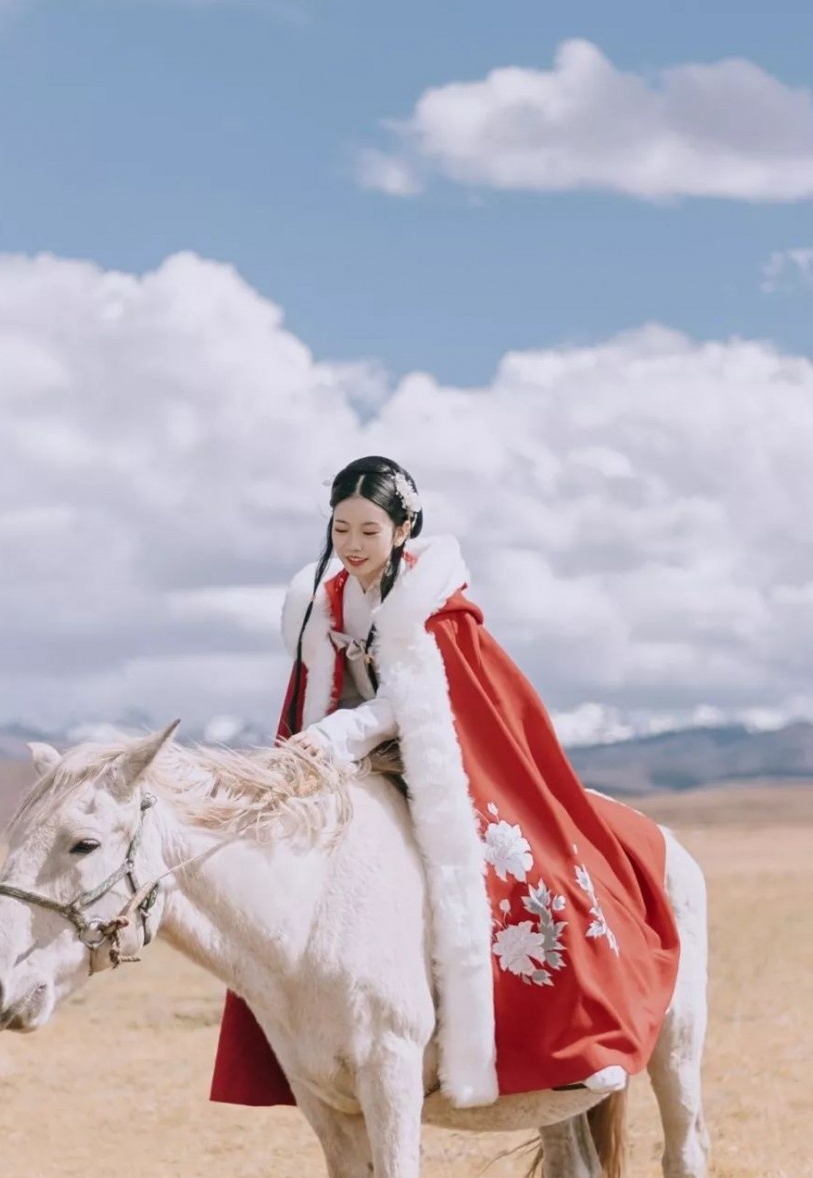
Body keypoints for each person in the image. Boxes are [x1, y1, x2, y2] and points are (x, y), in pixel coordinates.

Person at [211, 456, 682, 1113]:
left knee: (528, 870)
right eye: (340, 528)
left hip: (448, 758)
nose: (351, 544)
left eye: (369, 530)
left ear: (403, 529)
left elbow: (414, 697)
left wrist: (337, 735)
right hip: (358, 762)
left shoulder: (433, 606)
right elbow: (318, 697)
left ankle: (580, 1043)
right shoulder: (327, 604)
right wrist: (315, 750)